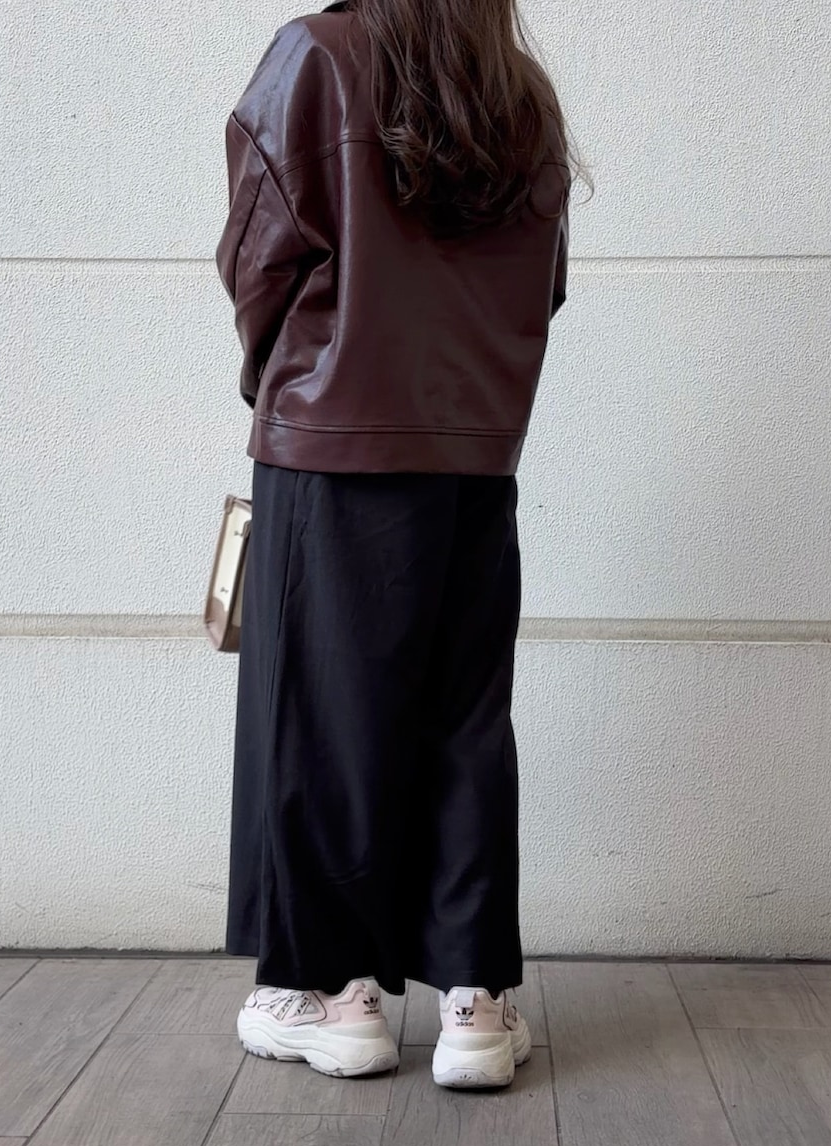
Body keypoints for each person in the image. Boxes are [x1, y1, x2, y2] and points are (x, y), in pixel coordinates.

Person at [217, 0, 576, 1089]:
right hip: (474, 453)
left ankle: (336, 996)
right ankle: (474, 1003)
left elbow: (260, 254)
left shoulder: (318, 55)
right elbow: (545, 282)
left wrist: (281, 381)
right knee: (466, 718)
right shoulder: (518, 92)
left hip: (334, 443)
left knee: (322, 718)